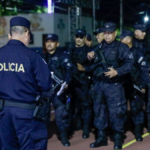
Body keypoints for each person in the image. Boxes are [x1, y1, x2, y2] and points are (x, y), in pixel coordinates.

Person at [0, 16, 52, 150]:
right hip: (26, 114)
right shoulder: (32, 56)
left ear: (10, 34)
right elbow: (45, 85)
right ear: (27, 33)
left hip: (3, 113)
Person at [89, 22, 133, 150]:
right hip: (99, 84)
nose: (107, 36)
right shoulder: (99, 46)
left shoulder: (122, 47)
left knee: (116, 113)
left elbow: (130, 63)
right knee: (99, 111)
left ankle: (118, 140)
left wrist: (117, 72)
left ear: (115, 33)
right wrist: (90, 56)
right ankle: (101, 138)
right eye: (105, 33)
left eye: (110, 33)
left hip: (114, 86)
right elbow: (91, 61)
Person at [118, 30, 149, 141]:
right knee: (120, 109)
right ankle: (120, 132)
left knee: (136, 109)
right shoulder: (119, 52)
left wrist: (143, 85)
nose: (120, 40)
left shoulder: (137, 53)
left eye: (122, 38)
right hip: (122, 86)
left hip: (136, 86)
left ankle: (138, 132)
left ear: (129, 39)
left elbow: (144, 71)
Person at [44, 33, 74, 146]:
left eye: (52, 41)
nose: (49, 44)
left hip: (59, 91)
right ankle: (43, 136)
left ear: (57, 43)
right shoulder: (42, 57)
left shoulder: (63, 57)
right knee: (43, 115)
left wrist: (66, 83)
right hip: (46, 91)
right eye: (47, 41)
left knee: (61, 115)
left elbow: (69, 71)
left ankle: (64, 136)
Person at [67, 29, 93, 139]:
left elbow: (94, 67)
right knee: (70, 107)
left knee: (85, 107)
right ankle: (71, 128)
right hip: (71, 83)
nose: (78, 38)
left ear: (84, 38)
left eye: (81, 37)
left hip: (83, 83)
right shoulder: (69, 50)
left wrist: (84, 69)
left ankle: (85, 130)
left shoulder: (89, 51)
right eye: (77, 36)